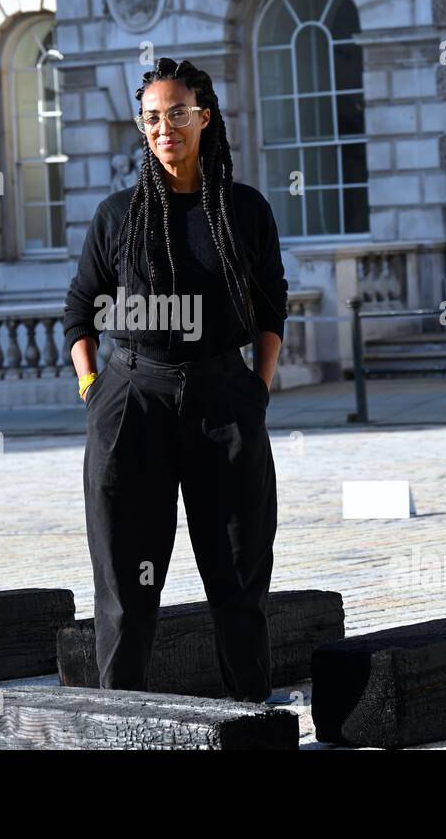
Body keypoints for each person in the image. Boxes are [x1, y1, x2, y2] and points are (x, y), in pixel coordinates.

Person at [62, 57, 289, 703]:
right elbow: (80, 309)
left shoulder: (243, 211)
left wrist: (258, 387)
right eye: (153, 118)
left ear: (204, 117)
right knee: (127, 591)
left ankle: (251, 719)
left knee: (238, 580)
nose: (165, 127)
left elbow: (272, 305)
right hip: (133, 404)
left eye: (178, 114)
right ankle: (119, 724)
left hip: (224, 401)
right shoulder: (117, 216)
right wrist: (92, 388)